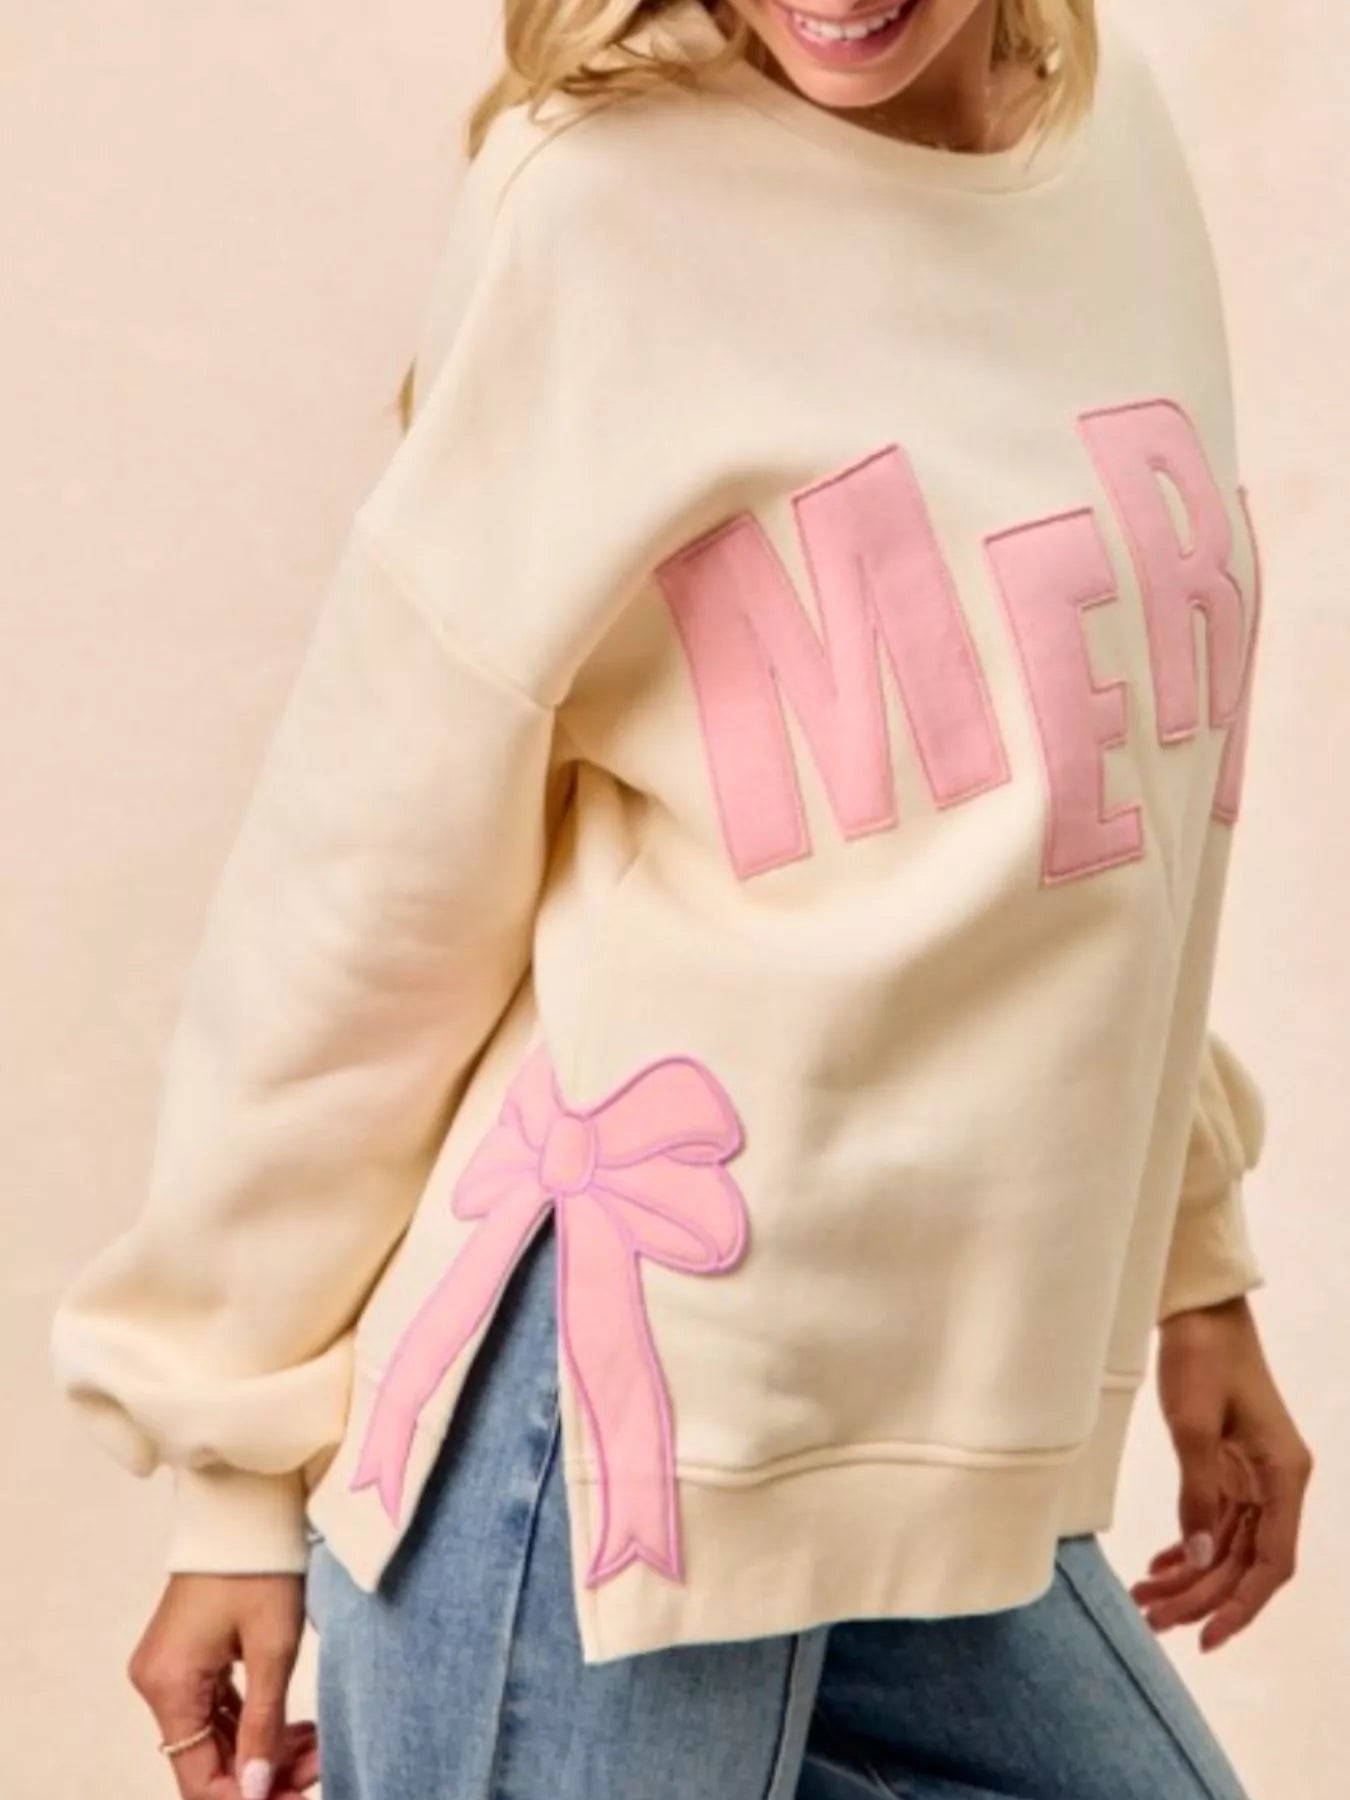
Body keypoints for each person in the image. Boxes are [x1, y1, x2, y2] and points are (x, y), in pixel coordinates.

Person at [51, 1, 1316, 1796]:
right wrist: (229, 1473)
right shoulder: (600, 204)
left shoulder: (1110, 165)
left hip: (918, 1423)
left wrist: (1196, 1269)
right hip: (608, 1447)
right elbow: (362, 881)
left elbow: (1098, 818)